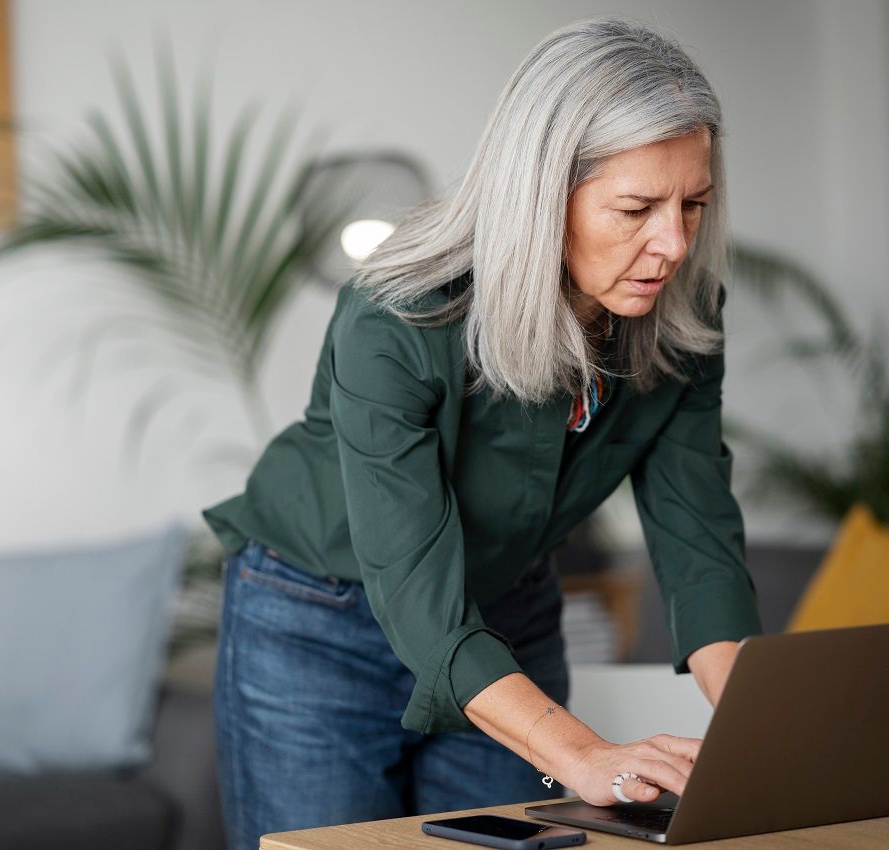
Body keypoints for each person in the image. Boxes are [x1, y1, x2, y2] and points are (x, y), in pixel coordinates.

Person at [201, 16, 762, 850]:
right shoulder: (400, 312)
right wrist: (583, 753)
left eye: (693, 205)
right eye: (637, 208)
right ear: (540, 193)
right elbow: (419, 597)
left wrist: (767, 741)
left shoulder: (682, 318)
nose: (673, 244)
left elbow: (699, 544)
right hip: (319, 624)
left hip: (506, 616)